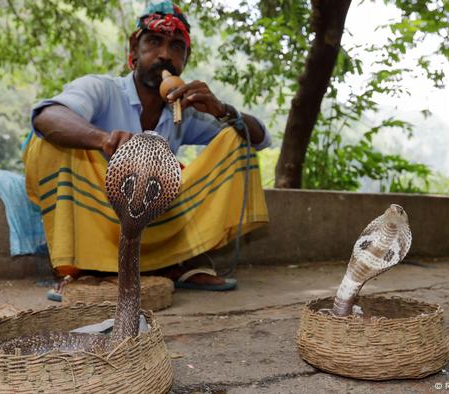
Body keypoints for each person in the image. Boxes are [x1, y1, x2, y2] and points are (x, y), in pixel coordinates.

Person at [22, 1, 270, 291]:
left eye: (177, 47)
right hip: (100, 216)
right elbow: (46, 116)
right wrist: (102, 139)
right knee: (52, 143)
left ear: (185, 61)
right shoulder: (103, 88)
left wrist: (222, 109)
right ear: (134, 52)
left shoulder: (184, 111)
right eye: (154, 42)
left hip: (149, 217)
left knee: (237, 136)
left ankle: (172, 260)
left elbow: (259, 138)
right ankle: (85, 266)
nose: (165, 54)